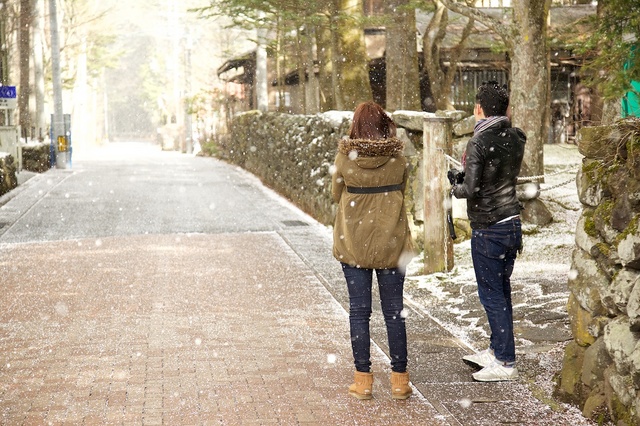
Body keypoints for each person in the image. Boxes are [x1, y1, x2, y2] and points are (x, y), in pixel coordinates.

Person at [331, 101, 415, 400]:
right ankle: (400, 382)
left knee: (359, 311)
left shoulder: (345, 158)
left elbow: (335, 192)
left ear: (355, 126)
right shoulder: (398, 160)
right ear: (384, 125)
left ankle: (363, 381)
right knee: (394, 312)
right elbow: (403, 190)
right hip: (391, 243)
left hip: (354, 244)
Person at [450, 81, 526, 382]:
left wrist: (454, 184)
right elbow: (495, 177)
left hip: (489, 228)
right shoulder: (517, 137)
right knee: (502, 291)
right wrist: (466, 177)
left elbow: (470, 188)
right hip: (511, 224)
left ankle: (505, 362)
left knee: (492, 295)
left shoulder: (479, 142)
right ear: (505, 108)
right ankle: (497, 350)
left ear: (479, 108)